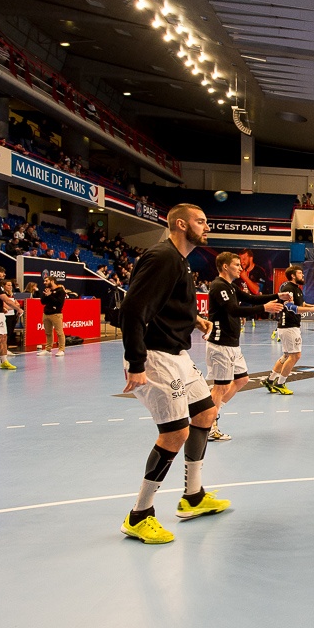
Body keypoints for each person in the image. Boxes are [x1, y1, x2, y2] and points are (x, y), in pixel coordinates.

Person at [118, 203, 224, 545]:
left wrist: (196, 320)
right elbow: (133, 308)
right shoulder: (162, 257)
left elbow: (166, 303)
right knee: (174, 434)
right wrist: (135, 362)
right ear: (181, 224)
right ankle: (139, 515)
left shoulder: (179, 260)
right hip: (154, 356)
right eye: (201, 220)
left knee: (206, 411)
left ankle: (193, 497)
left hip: (177, 353)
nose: (206, 226)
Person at [204, 251, 287, 439]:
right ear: (225, 267)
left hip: (232, 344)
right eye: (236, 264)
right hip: (221, 344)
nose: (241, 268)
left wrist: (277, 296)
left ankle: (210, 410)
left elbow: (251, 298)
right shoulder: (218, 286)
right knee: (220, 387)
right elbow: (233, 310)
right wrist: (264, 309)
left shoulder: (231, 287)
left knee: (242, 379)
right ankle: (209, 425)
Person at [264, 265, 314, 393]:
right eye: (300, 273)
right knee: (295, 356)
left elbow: (302, 305)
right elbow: (290, 307)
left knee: (287, 355)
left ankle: (270, 380)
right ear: (293, 275)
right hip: (289, 325)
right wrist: (312, 309)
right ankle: (280, 384)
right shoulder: (288, 288)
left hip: (291, 325)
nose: (302, 275)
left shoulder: (297, 289)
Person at [38, 275, 67, 357]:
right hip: (46, 314)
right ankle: (48, 349)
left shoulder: (60, 291)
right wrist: (47, 295)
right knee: (48, 333)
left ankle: (61, 349)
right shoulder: (47, 290)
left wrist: (50, 295)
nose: (44, 283)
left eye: (46, 281)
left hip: (56, 314)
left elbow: (58, 303)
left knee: (59, 332)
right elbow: (43, 302)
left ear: (52, 281)